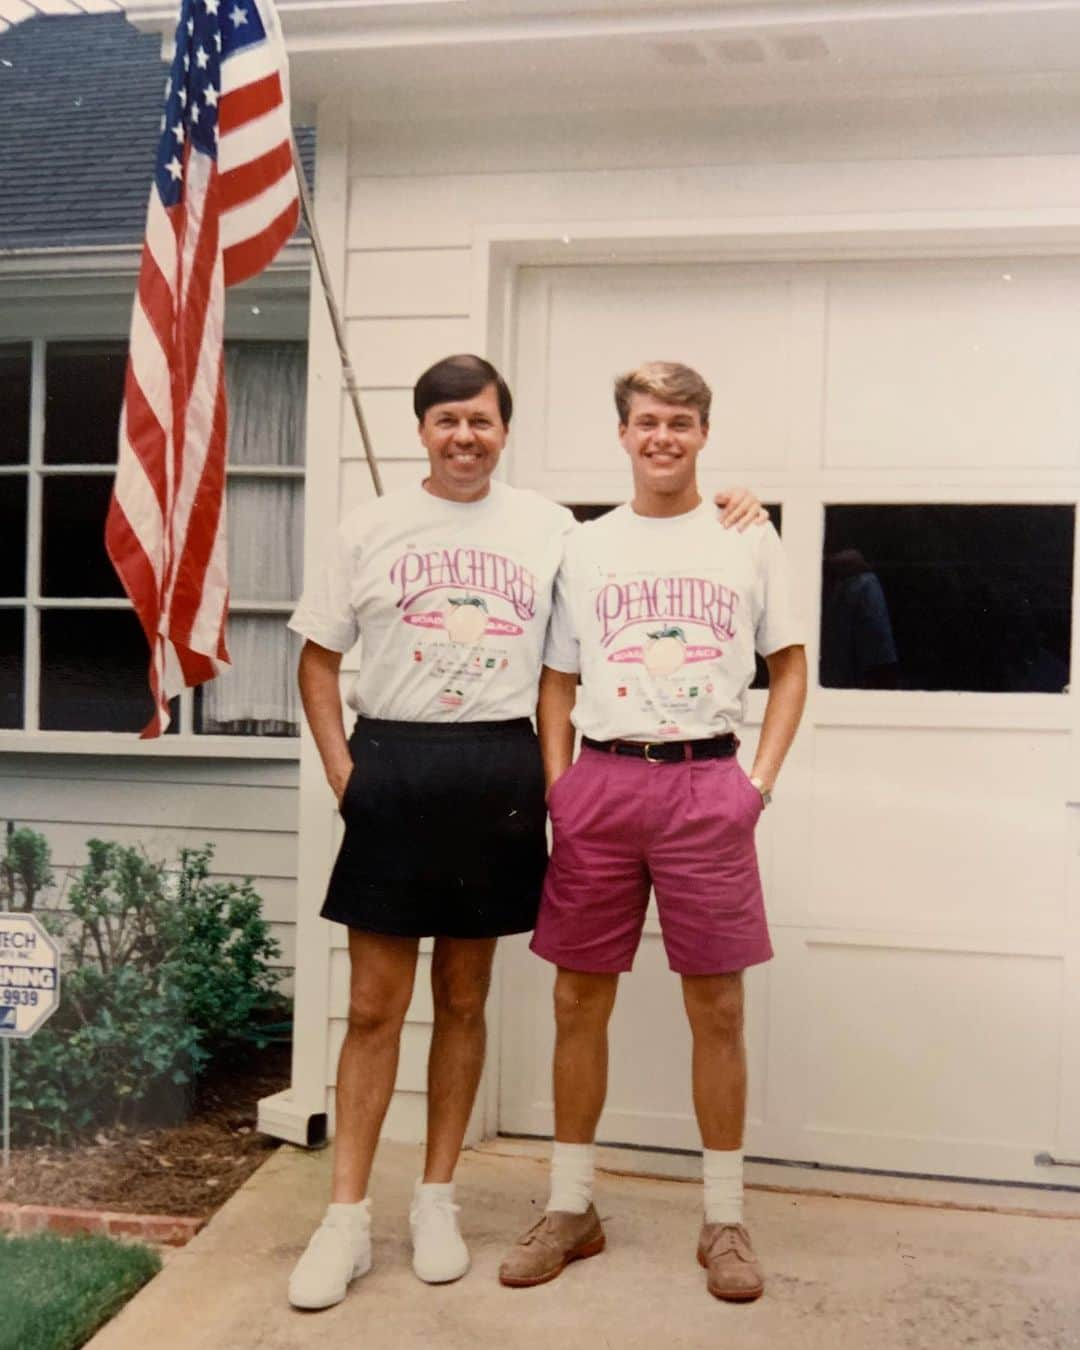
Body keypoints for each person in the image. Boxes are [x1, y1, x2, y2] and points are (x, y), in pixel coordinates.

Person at [285, 353, 767, 1311]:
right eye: (447, 420)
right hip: (396, 765)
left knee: (466, 997)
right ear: (420, 429)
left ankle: (436, 1202)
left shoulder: (554, 530)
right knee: (377, 1005)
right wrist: (347, 773)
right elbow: (316, 657)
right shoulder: (369, 527)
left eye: (483, 421)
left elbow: (643, 556)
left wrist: (737, 505)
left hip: (499, 767)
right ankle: (343, 1221)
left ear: (506, 432)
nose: (465, 436)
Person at [499, 361, 807, 1304]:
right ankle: (571, 1205)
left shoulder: (747, 537)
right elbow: (556, 677)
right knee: (575, 1001)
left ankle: (723, 1218)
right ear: (623, 434)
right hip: (605, 783)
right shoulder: (587, 546)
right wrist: (563, 787)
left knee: (717, 1007)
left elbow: (791, 668)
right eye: (645, 421)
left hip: (706, 785)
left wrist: (753, 787)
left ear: (704, 432)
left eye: (679, 421)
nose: (662, 437)